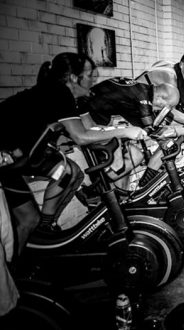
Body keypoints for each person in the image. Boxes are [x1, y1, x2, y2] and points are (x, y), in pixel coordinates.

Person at [0, 53, 147, 257]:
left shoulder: (71, 96)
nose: (93, 81)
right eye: (89, 76)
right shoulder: (58, 92)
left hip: (18, 156)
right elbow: (81, 136)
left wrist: (116, 134)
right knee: (65, 174)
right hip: (7, 155)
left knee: (35, 214)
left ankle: (42, 231)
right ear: (72, 77)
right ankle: (13, 269)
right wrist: (124, 132)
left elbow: (90, 128)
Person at [79, 78, 184, 190]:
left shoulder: (143, 90)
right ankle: (94, 190)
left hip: (97, 114)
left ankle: (121, 198)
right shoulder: (143, 98)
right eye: (168, 106)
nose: (167, 110)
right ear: (160, 98)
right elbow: (154, 131)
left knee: (135, 155)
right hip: (88, 118)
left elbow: (152, 126)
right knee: (123, 165)